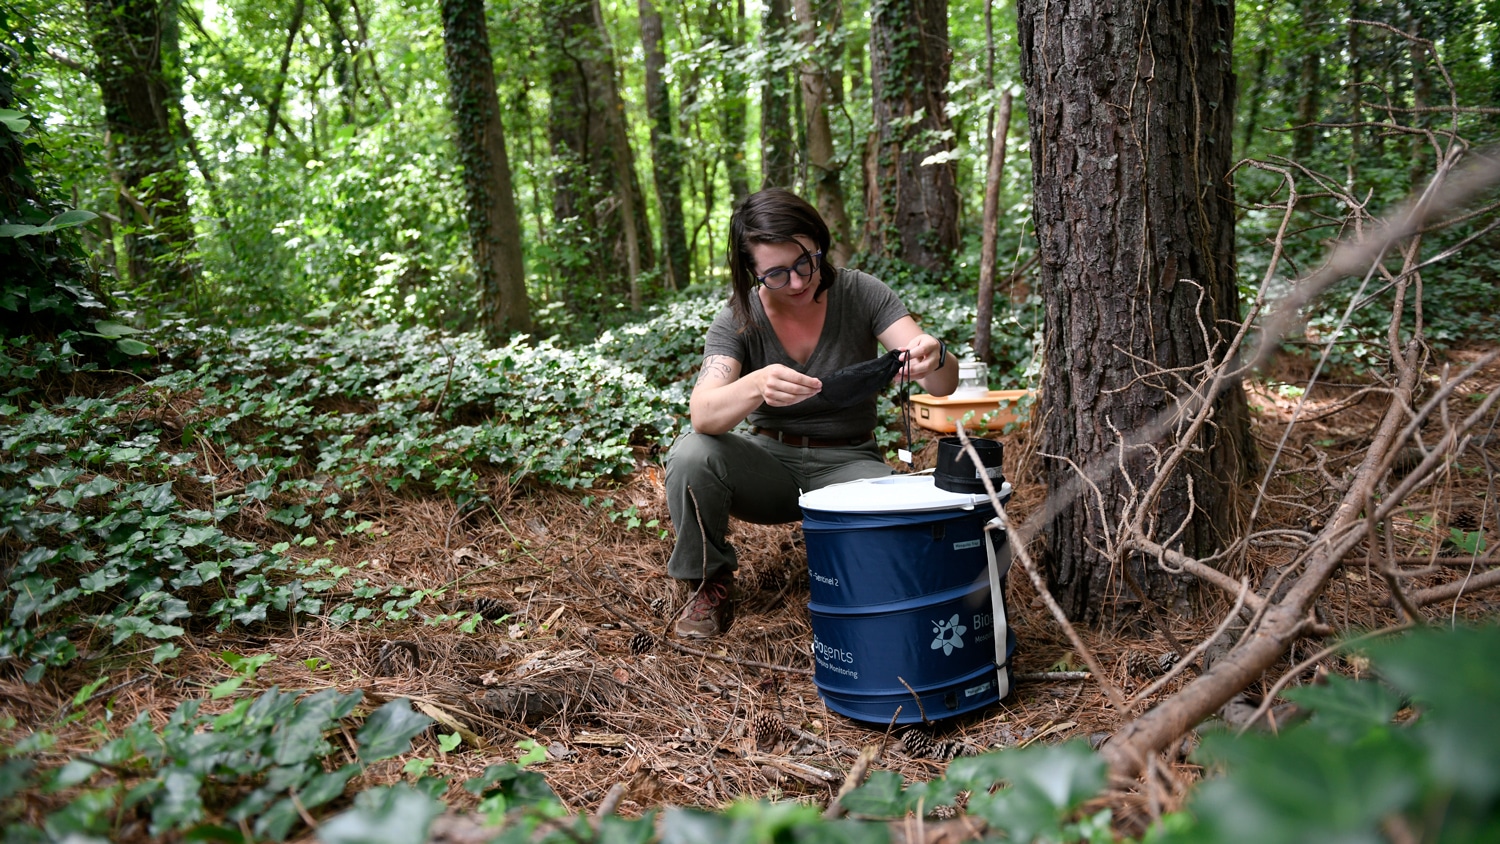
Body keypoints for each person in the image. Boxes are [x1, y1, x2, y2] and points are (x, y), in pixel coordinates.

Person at [664, 188, 959, 638]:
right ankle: (709, 584)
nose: (798, 282)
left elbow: (942, 383)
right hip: (768, 468)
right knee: (691, 454)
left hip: (850, 463)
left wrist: (933, 357)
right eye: (777, 274)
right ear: (752, 272)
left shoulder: (860, 293)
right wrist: (756, 385)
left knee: (895, 526)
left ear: (818, 243)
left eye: (805, 261)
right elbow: (703, 414)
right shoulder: (739, 317)